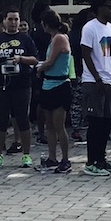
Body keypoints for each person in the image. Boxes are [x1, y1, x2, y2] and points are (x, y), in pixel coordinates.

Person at [0, 10, 40, 168]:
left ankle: (26, 155)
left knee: (22, 118)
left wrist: (20, 59)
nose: (13, 22)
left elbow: (34, 59)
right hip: (1, 84)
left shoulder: (26, 39)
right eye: (10, 19)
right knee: (1, 119)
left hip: (22, 84)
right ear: (4, 21)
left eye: (16, 19)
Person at [80, 0, 111, 175]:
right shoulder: (90, 28)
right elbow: (86, 53)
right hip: (94, 81)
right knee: (95, 123)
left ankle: (102, 159)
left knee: (106, 123)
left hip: (110, 81)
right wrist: (97, 78)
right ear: (99, 7)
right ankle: (91, 162)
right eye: (109, 6)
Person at [36, 10, 74, 173]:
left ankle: (65, 159)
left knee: (59, 125)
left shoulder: (59, 37)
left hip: (60, 84)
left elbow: (50, 62)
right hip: (48, 84)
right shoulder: (53, 38)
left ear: (46, 24)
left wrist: (38, 68)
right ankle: (52, 158)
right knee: (49, 125)